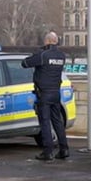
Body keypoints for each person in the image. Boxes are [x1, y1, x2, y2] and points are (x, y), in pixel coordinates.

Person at [22, 31, 69, 161]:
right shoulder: (61, 56)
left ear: (47, 41)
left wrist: (37, 53)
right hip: (56, 93)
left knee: (45, 122)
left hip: (44, 94)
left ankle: (48, 151)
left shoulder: (43, 55)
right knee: (57, 121)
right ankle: (64, 149)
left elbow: (25, 63)